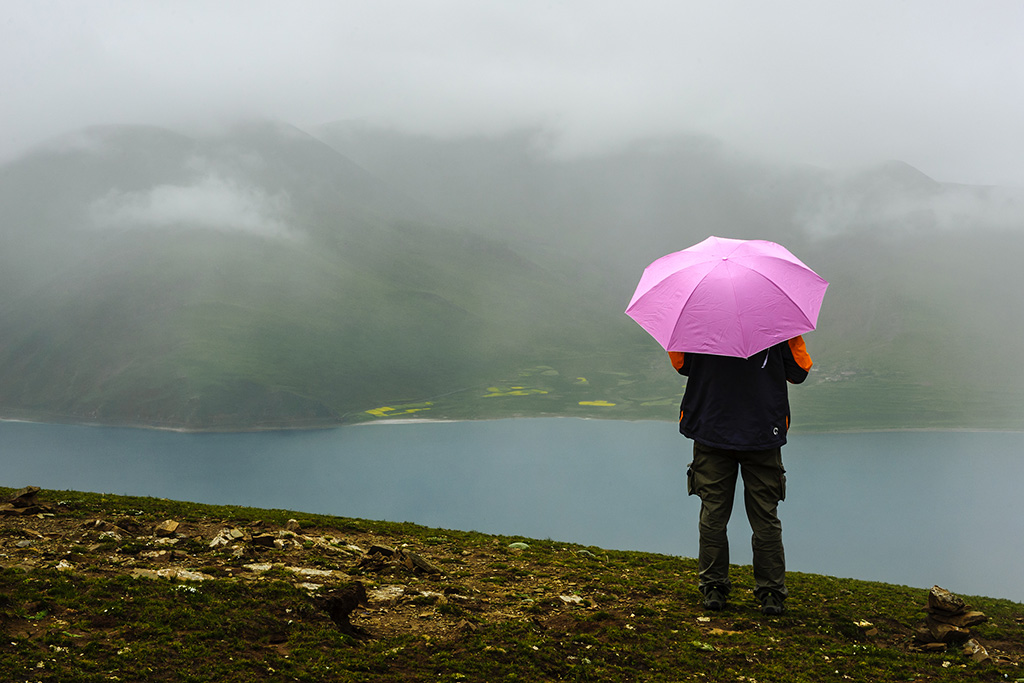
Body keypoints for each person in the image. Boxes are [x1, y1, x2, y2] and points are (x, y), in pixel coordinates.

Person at [669, 336, 812, 616]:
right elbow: (799, 371)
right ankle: (771, 593)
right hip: (762, 431)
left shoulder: (699, 320)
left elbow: (682, 365)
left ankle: (713, 588)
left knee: (713, 513)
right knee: (765, 516)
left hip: (711, 428)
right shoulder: (777, 323)